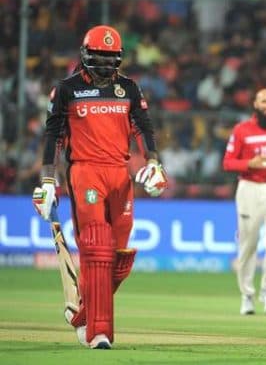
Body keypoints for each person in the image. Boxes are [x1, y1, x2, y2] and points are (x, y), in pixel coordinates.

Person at [32, 25, 167, 349]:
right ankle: (98, 332)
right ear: (85, 55)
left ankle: (83, 315)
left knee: (118, 257)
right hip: (85, 173)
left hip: (119, 174)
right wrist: (48, 179)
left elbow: (143, 127)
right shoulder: (67, 89)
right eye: (99, 57)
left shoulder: (129, 89)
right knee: (96, 246)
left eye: (111, 58)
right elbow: (54, 135)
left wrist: (154, 163)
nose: (106, 64)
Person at [222, 89, 266, 315]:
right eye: (263, 101)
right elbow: (228, 163)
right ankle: (247, 294)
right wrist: (249, 163)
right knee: (248, 245)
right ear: (255, 104)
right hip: (249, 189)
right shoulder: (242, 130)